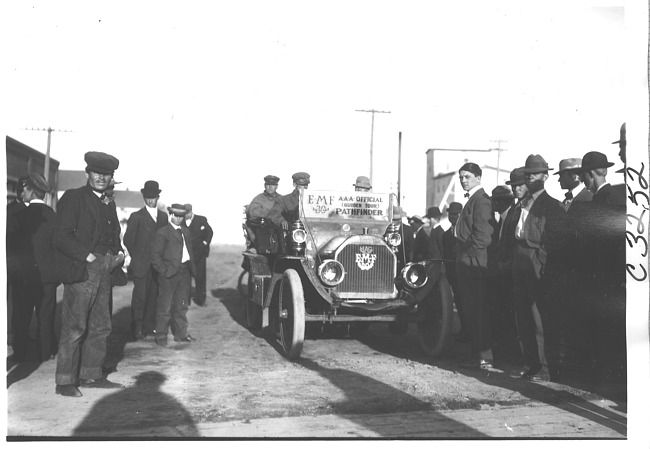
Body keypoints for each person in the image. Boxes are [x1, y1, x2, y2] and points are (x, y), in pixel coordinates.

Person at [53, 151, 125, 397]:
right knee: (75, 327)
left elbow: (114, 232)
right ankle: (64, 381)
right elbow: (61, 236)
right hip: (84, 268)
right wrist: (88, 256)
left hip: (106, 267)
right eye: (97, 173)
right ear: (87, 173)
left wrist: (119, 254)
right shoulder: (73, 198)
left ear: (111, 177)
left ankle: (91, 375)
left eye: (107, 175)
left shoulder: (109, 202)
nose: (101, 178)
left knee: (101, 326)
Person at [511, 154, 565, 382]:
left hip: (536, 261)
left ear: (545, 176)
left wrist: (541, 260)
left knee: (538, 317)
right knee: (522, 315)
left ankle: (544, 367)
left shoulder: (552, 206)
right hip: (520, 259)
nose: (531, 177)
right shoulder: (520, 204)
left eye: (536, 173)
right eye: (528, 173)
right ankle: (531, 363)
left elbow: (555, 240)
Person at [11, 173, 59, 362]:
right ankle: (44, 352)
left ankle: (20, 353)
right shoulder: (52, 215)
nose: (23, 192)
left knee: (21, 315)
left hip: (22, 275)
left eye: (25, 189)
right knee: (45, 316)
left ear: (31, 191)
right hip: (47, 276)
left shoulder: (18, 215)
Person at [454, 162, 494, 370]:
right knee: (470, 310)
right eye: (461, 177)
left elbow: (483, 237)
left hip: (475, 265)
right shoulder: (471, 200)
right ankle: (477, 354)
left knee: (479, 311)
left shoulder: (482, 201)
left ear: (478, 178)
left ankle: (485, 357)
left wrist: (467, 257)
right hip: (468, 264)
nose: (463, 180)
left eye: (467, 177)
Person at [123, 180, 168, 340]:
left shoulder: (163, 217)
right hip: (141, 265)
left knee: (153, 296)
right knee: (140, 297)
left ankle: (149, 327)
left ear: (158, 197)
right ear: (144, 197)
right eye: (147, 197)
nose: (150, 200)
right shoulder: (137, 217)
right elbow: (128, 240)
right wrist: (138, 255)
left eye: (153, 197)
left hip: (156, 266)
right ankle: (137, 329)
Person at [151, 204, 197, 346]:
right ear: (171, 215)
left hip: (184, 272)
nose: (178, 219)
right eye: (175, 216)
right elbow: (155, 256)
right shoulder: (163, 232)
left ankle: (181, 334)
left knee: (181, 306)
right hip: (169, 274)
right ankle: (161, 337)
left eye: (181, 216)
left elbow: (189, 251)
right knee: (164, 307)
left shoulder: (186, 231)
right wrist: (164, 271)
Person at [487, 185, 517, 354]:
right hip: (500, 272)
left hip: (508, 272)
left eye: (498, 201)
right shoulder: (500, 221)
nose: (495, 204)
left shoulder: (512, 218)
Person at [6, 175, 30, 349]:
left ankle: (15, 335)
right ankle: (13, 336)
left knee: (16, 300)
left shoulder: (11, 208)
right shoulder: (18, 210)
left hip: (15, 261)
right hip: (16, 262)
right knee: (15, 301)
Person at [441, 202, 465, 341]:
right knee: (459, 303)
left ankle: (468, 332)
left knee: (465, 303)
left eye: (456, 214)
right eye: (451, 214)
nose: (453, 217)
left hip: (463, 273)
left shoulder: (465, 231)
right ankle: (464, 330)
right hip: (452, 274)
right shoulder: (446, 235)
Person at [183, 204, 213, 306]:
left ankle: (201, 300)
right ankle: (186, 301)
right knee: (186, 279)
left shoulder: (201, 220)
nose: (186, 215)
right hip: (187, 256)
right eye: (185, 213)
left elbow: (210, 232)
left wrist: (205, 243)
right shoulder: (181, 222)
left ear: (191, 211)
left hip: (200, 255)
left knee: (200, 278)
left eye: (188, 212)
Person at [246, 175, 282, 254]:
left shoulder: (281, 199)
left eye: (273, 185)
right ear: (265, 186)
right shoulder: (259, 199)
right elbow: (252, 212)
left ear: (276, 186)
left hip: (278, 228)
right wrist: (270, 213)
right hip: (263, 229)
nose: (270, 187)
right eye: (268, 185)